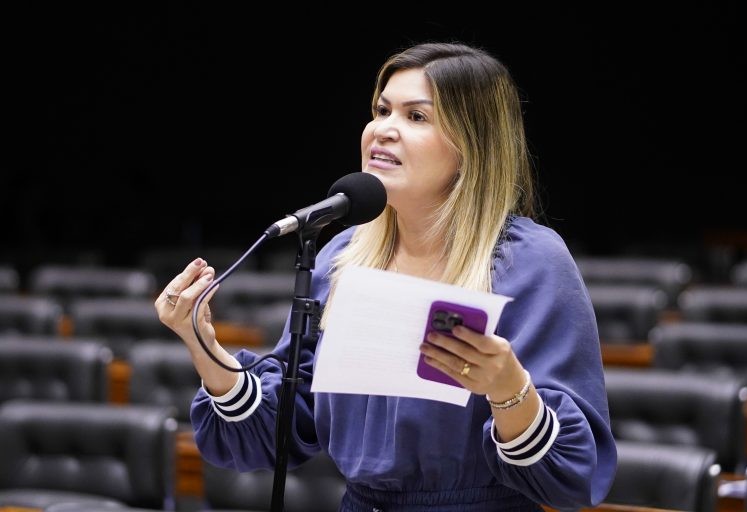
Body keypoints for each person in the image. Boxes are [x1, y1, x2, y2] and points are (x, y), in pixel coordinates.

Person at [156, 41, 617, 511]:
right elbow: (282, 429)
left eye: (416, 116)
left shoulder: (530, 262)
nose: (383, 130)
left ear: (471, 145)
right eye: (381, 111)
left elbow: (571, 477)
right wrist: (204, 346)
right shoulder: (344, 257)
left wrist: (507, 389)